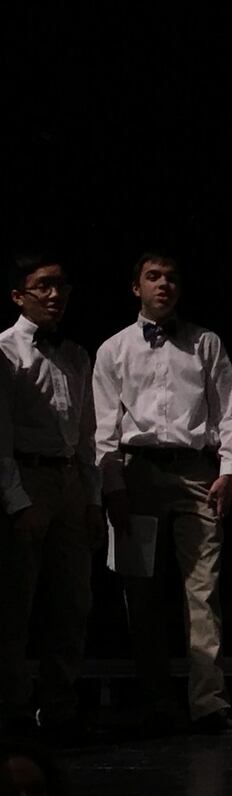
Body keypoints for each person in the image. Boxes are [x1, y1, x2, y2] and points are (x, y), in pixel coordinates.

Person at [92, 252, 232, 734]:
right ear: (135, 287)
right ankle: (157, 701)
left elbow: (228, 409)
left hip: (194, 472)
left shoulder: (205, 342)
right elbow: (103, 424)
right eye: (153, 277)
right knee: (140, 591)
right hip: (138, 473)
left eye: (172, 278)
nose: (164, 285)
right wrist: (113, 487)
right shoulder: (113, 349)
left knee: (203, 589)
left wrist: (227, 471)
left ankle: (209, 703)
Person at [0, 253, 101, 740]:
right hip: (28, 476)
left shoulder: (77, 355)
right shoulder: (7, 350)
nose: (55, 295)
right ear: (19, 295)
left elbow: (86, 434)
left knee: (73, 599)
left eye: (61, 286)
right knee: (18, 601)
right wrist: (18, 500)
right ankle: (14, 706)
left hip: (68, 481)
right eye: (43, 286)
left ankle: (59, 704)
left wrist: (92, 498)